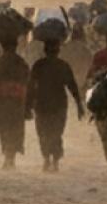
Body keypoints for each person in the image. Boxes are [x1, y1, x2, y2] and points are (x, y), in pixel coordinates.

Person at [27, 39, 83, 172]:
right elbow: (72, 86)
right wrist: (79, 104)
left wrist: (27, 105)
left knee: (43, 132)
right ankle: (54, 160)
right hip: (58, 105)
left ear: (44, 51)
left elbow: (30, 86)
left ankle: (47, 159)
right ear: (58, 51)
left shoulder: (39, 65)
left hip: (42, 104)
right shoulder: (63, 65)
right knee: (56, 132)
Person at [0, 38, 31, 169]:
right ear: (15, 47)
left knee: (4, 127)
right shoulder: (21, 62)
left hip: (2, 100)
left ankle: (7, 157)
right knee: (16, 127)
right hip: (18, 100)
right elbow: (27, 80)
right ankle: (11, 158)